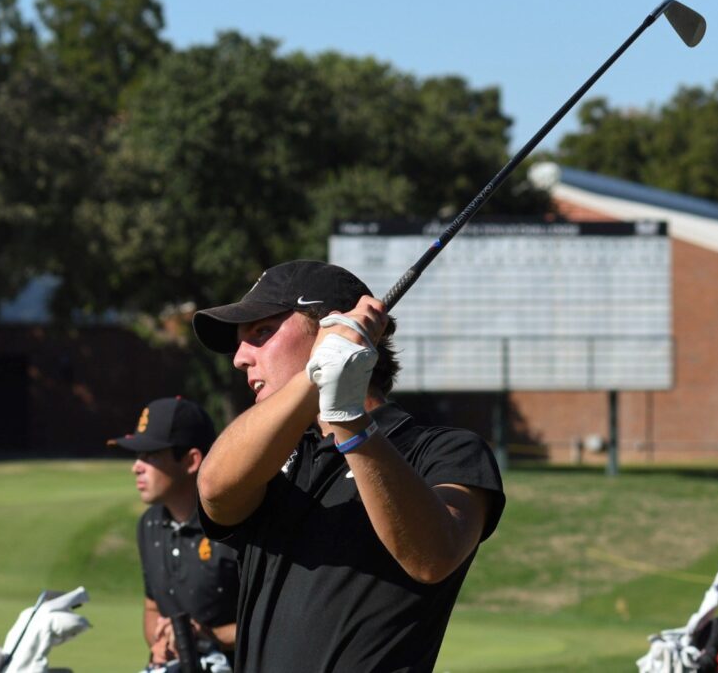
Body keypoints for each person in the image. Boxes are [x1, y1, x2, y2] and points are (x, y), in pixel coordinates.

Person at [191, 259, 506, 672]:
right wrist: (319, 373)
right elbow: (215, 487)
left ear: (331, 327)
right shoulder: (274, 461)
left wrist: (348, 418)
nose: (239, 358)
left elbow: (433, 556)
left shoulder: (444, 451)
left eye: (261, 333)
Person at [108, 396, 239, 671]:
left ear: (191, 461)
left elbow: (275, 621)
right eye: (137, 456)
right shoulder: (149, 524)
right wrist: (159, 642)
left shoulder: (235, 526)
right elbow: (153, 608)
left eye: (150, 455)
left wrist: (209, 636)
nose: (136, 467)